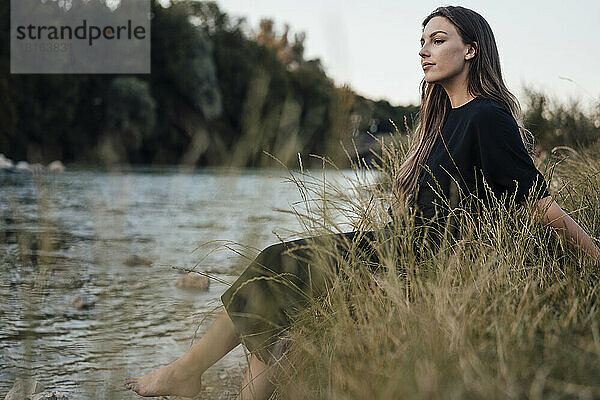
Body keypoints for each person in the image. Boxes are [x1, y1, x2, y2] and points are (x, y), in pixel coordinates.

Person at [124, 6, 600, 399]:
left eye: (437, 40)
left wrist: (595, 257)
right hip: (397, 245)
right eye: (423, 42)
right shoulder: (444, 117)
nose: (423, 50)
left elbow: (540, 204)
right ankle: (204, 380)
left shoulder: (487, 117)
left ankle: (185, 373)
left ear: (471, 49)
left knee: (274, 264)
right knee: (274, 288)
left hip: (419, 257)